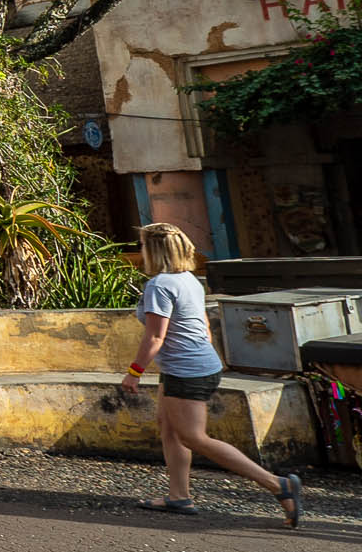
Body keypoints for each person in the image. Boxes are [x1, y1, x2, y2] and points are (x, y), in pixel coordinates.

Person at [124, 222, 304, 524]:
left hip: (186, 369)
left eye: (143, 245)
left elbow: (155, 337)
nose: (141, 251)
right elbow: (204, 326)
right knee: (169, 428)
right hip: (195, 363)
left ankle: (279, 485)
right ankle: (179, 497)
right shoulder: (188, 280)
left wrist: (134, 372)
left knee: (194, 437)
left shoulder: (159, 285)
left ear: (154, 250)